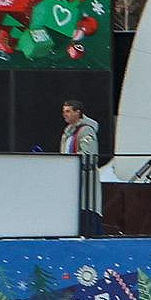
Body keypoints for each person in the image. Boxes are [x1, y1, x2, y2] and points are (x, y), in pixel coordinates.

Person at [60, 100, 102, 235]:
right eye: (64, 111)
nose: (64, 114)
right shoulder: (68, 133)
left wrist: (70, 162)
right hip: (71, 182)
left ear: (77, 112)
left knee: (86, 217)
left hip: (85, 183)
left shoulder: (86, 131)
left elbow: (89, 156)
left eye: (68, 111)